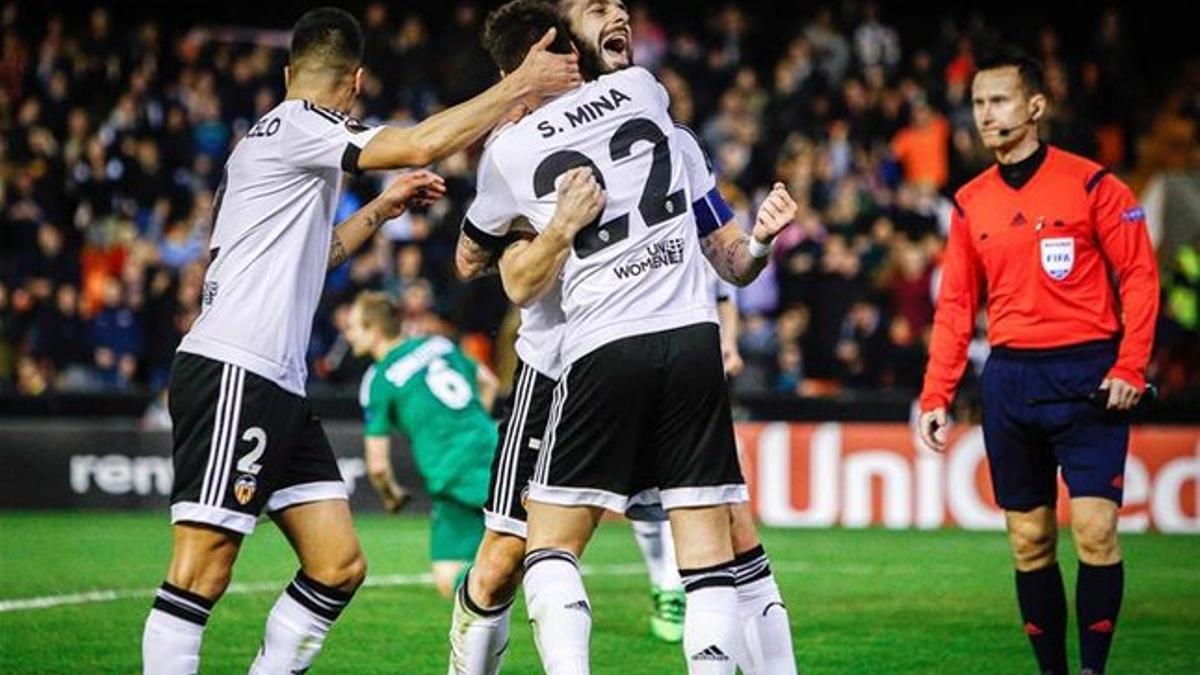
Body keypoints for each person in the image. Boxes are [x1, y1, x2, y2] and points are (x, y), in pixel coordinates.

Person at [140, 7, 579, 674]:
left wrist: (381, 207)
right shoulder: (299, 125)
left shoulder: (275, 148)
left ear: (290, 70)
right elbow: (422, 142)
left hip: (277, 383)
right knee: (201, 568)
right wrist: (518, 84)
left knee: (337, 565)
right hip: (235, 368)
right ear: (357, 81)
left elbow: (317, 256)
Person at [456, 3, 798, 673]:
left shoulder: (659, 133)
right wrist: (554, 228)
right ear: (558, 46)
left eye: (619, 6)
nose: (616, 13)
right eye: (594, 7)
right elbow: (505, 279)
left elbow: (728, 255)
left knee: (716, 533)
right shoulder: (646, 95)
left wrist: (756, 242)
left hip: (611, 345)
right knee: (503, 557)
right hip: (566, 357)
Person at [917, 47, 1158, 675]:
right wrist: (936, 393)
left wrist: (1131, 366)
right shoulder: (970, 202)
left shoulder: (1095, 184)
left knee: (1096, 533)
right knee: (1029, 544)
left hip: (1088, 377)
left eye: (998, 101)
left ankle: (1093, 671)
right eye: (978, 103)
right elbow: (956, 306)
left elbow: (1138, 276)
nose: (986, 114)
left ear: (1035, 107)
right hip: (1012, 380)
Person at [345, 291, 500, 598]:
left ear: (374, 331)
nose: (347, 335)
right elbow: (490, 382)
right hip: (491, 447)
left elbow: (377, 465)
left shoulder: (380, 379)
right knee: (463, 567)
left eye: (353, 327)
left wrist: (391, 497)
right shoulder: (438, 343)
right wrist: (470, 426)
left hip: (451, 470)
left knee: (456, 575)